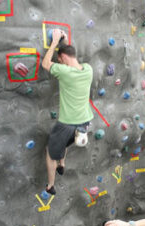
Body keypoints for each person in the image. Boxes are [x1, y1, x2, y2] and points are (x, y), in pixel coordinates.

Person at [41, 29, 94, 195]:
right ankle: (62, 163)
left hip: (67, 123)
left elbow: (45, 64)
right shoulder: (88, 69)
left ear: (62, 58)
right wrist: (63, 42)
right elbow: (69, 55)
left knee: (50, 152)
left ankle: (50, 186)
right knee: (64, 142)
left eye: (61, 60)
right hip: (85, 121)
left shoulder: (64, 72)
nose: (61, 63)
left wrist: (55, 42)